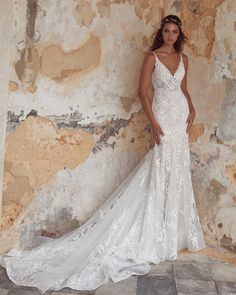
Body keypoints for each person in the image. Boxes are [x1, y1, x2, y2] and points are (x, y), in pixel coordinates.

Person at [0, 14, 206, 293]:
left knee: (177, 169)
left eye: (174, 32)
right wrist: (154, 124)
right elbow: (143, 93)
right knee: (160, 168)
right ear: (162, 33)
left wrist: (191, 108)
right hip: (163, 118)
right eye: (167, 31)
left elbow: (183, 88)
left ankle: (172, 232)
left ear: (179, 35)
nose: (170, 35)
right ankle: (155, 232)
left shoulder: (184, 59)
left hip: (180, 116)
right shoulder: (152, 57)